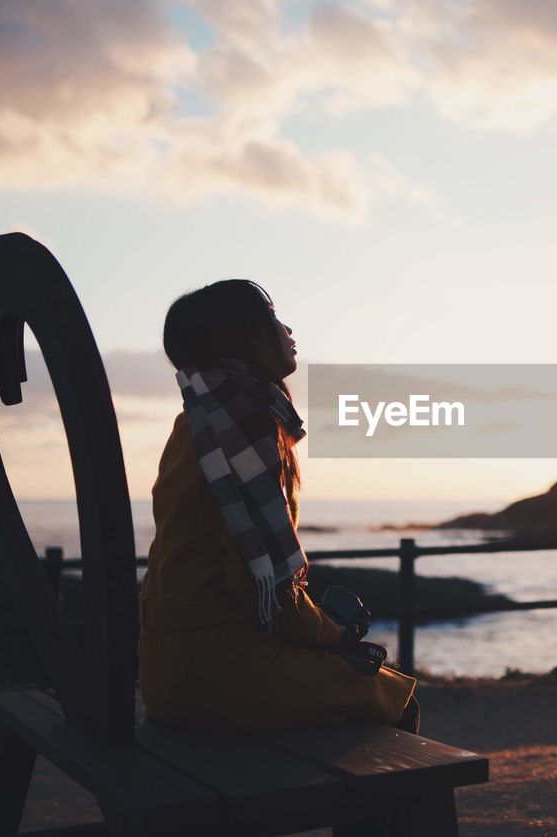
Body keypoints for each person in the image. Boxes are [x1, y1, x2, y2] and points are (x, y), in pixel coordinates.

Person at [137, 279, 418, 734]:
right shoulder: (247, 425)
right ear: (242, 336)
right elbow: (257, 589)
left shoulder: (198, 422)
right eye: (271, 317)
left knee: (351, 675)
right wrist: (333, 632)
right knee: (389, 695)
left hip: (164, 663)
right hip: (217, 665)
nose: (287, 330)